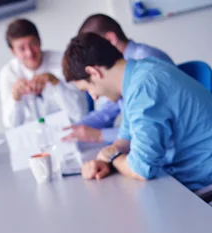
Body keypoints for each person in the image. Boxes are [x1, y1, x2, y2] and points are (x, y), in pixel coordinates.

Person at [62, 33, 212, 191]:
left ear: (93, 72)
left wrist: (114, 159)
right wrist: (104, 159)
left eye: (88, 88)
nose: (94, 96)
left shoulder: (144, 87)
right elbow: (126, 138)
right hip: (184, 178)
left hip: (203, 184)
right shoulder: (139, 73)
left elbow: (141, 169)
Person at [63, 14, 174, 143]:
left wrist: (100, 136)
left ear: (110, 39)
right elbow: (109, 111)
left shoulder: (145, 64)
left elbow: (148, 133)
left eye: (92, 46)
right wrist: (73, 130)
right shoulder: (122, 75)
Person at [0, 18, 87, 128]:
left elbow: (80, 114)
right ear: (13, 51)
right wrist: (16, 98)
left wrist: (55, 83)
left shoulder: (63, 61)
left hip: (68, 132)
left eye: (32, 44)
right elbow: (11, 125)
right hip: (31, 138)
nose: (29, 53)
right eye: (22, 48)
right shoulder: (8, 73)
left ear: (40, 41)